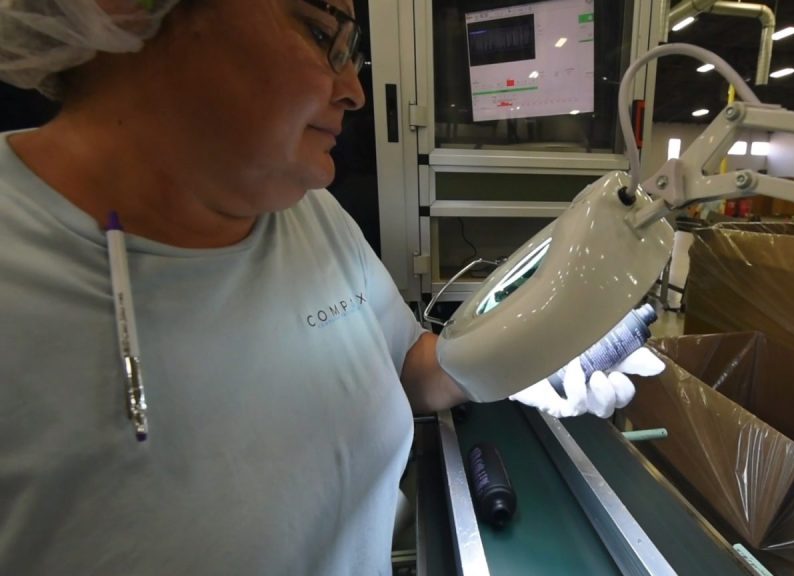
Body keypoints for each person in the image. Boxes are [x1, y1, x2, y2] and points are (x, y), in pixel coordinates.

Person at [0, 0, 663, 574]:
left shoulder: (307, 213)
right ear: (123, 9)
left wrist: (532, 352)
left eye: (353, 51)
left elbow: (410, 369)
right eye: (320, 33)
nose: (355, 91)